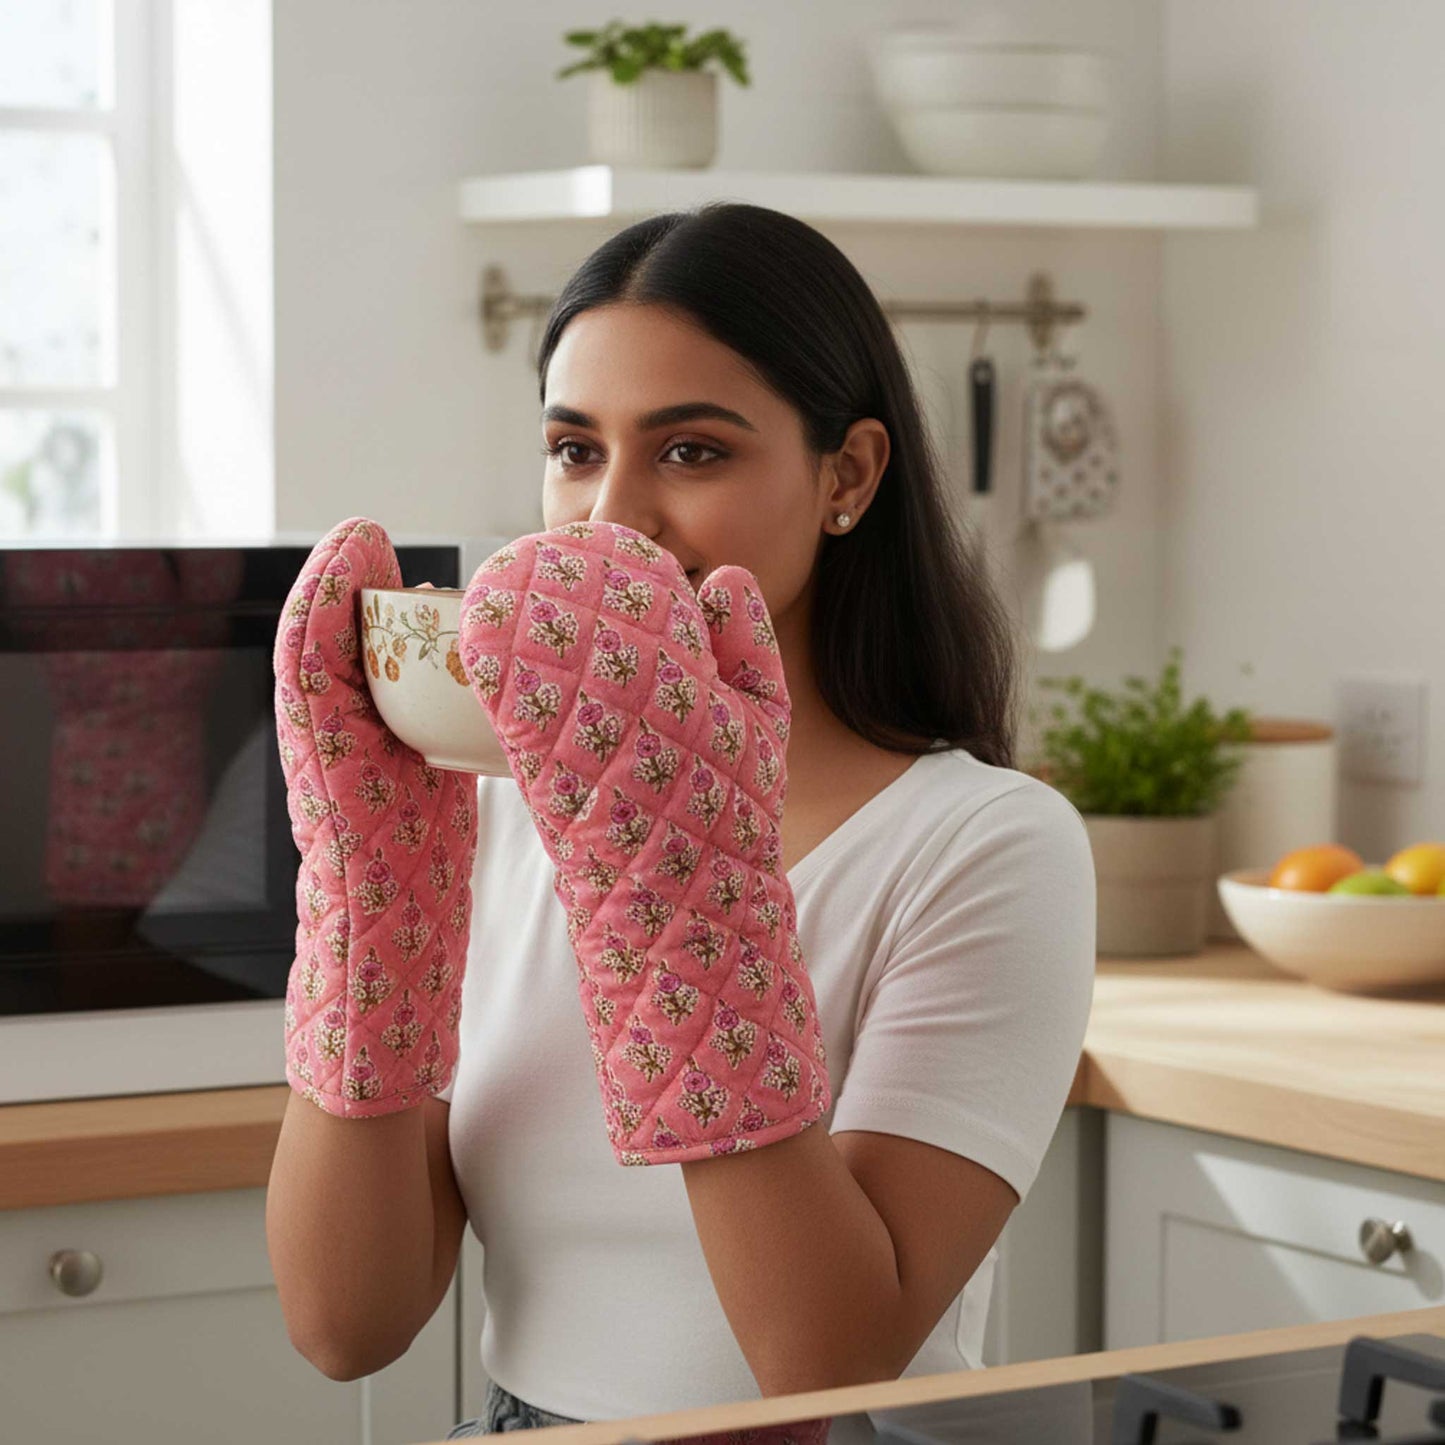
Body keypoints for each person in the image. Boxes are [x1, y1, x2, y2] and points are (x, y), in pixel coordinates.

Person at [266, 201, 1096, 1441]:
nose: (612, 520)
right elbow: (346, 1321)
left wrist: (672, 878)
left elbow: (828, 1362)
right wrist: (368, 900)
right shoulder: (494, 823)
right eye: (573, 449)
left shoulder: (985, 846)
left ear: (847, 476)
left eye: (691, 451)